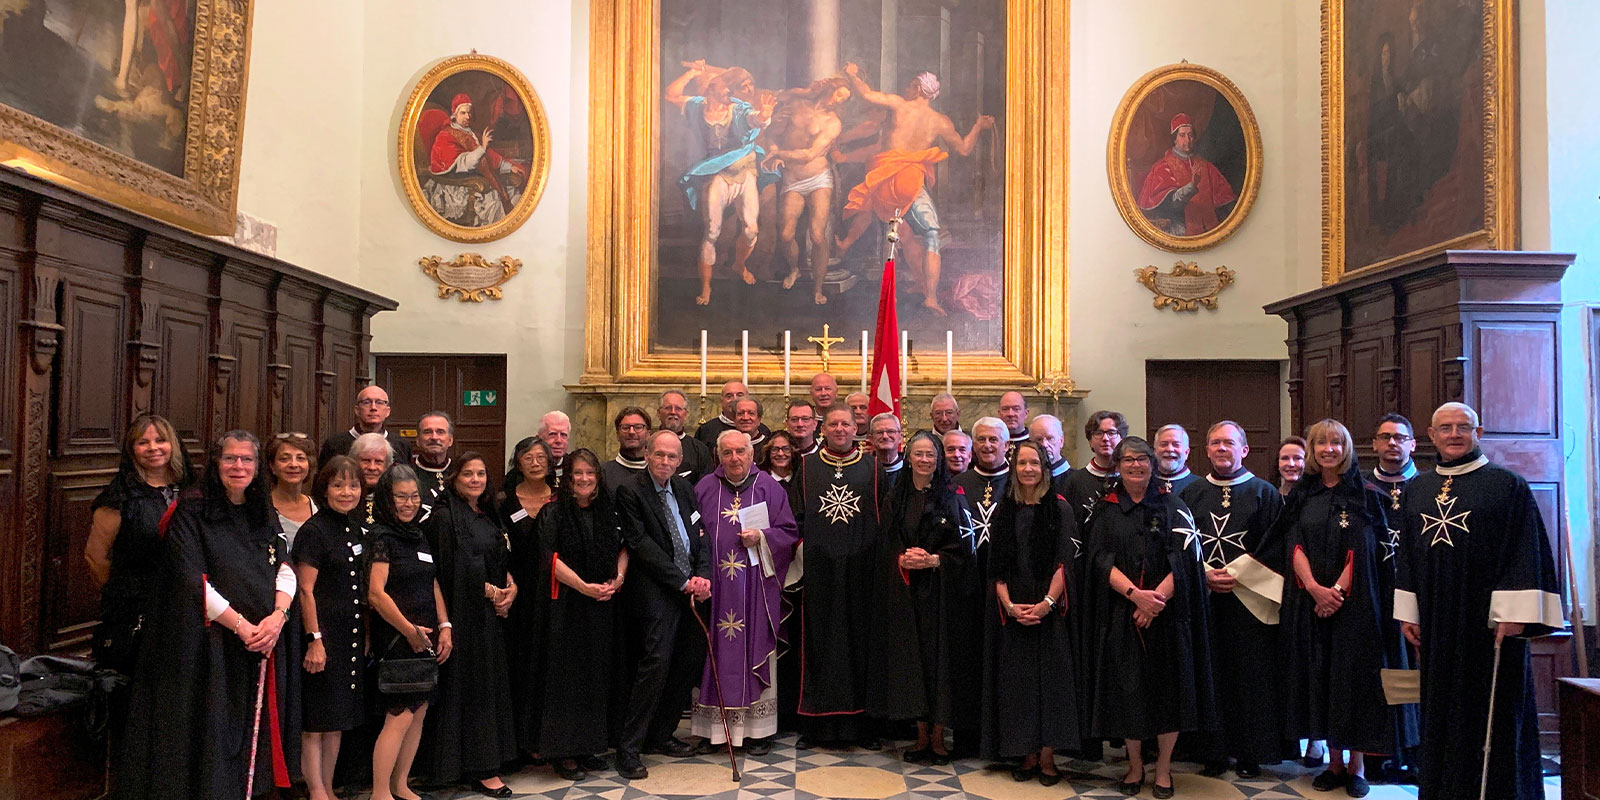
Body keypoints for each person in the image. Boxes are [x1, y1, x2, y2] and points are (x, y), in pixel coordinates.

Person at [116, 431, 300, 800]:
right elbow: (191, 580)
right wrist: (243, 626)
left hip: (259, 640)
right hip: (207, 645)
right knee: (208, 733)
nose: (239, 466)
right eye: (230, 459)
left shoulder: (259, 506)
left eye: (247, 459)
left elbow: (283, 564)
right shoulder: (191, 508)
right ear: (215, 464)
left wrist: (278, 615)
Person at [1396, 403, 1563, 800]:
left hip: (1491, 625)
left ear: (1479, 432)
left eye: (1463, 427)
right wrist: (1409, 613)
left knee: (1491, 714)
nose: (1454, 434)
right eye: (1445, 427)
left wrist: (1516, 615)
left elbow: (1525, 551)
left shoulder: (1507, 486)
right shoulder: (1418, 487)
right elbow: (1407, 557)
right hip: (1436, 621)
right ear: (1431, 435)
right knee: (1441, 710)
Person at [1279, 419, 1416, 798]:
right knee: (1320, 679)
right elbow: (1294, 545)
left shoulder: (1366, 494)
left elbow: (1367, 550)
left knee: (1352, 682)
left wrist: (1335, 591)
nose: (1327, 449)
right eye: (1320, 443)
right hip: (1309, 603)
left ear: (1347, 448)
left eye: (1335, 443)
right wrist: (1313, 589)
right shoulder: (1301, 495)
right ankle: (1333, 763)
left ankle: (1356, 765)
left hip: (1355, 607)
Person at [1083, 437, 1216, 799]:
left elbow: (1187, 558)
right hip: (1122, 615)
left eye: (1142, 459)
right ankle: (1135, 765)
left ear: (1152, 464)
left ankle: (1162, 769)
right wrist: (1135, 596)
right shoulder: (1106, 509)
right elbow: (1098, 560)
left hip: (1168, 618)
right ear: (1118, 465)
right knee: (1128, 693)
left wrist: (1155, 600)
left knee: (1167, 693)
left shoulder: (1173, 505)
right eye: (1128, 460)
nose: (1136, 466)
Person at [835, 62, 995, 315]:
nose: (908, 88)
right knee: (930, 233)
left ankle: (889, 296)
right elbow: (964, 149)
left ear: (919, 88)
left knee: (892, 232)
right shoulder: (939, 121)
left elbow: (866, 93)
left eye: (911, 85)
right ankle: (930, 297)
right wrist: (978, 126)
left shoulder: (899, 105)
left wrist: (852, 74)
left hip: (885, 177)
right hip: (910, 180)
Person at [1179, 421, 1291, 779]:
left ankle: (1249, 751)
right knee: (1210, 674)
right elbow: (1181, 545)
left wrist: (1237, 574)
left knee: (1251, 677)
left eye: (1229, 443)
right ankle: (1211, 751)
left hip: (1251, 603)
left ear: (1244, 450)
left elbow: (1276, 545)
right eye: (1215, 443)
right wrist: (1206, 574)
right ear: (1207, 451)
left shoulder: (1265, 493)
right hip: (1206, 599)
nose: (1222, 449)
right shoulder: (1191, 494)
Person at [869, 431, 976, 765]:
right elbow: (885, 542)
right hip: (906, 592)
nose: (925, 460)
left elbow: (966, 549)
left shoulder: (953, 495)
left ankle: (939, 738)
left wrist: (934, 560)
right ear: (908, 456)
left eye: (931, 454)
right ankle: (919, 735)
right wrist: (901, 558)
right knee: (911, 663)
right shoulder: (895, 496)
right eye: (918, 454)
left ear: (938, 459)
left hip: (941, 595)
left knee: (938, 662)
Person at [612, 431, 713, 779]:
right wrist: (682, 581)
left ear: (680, 460)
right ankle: (629, 748)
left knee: (689, 660)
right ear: (647, 454)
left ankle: (661, 735)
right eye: (660, 456)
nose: (666, 462)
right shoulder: (631, 490)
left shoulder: (685, 489)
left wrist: (702, 576)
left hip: (691, 587)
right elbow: (640, 545)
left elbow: (700, 536)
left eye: (672, 457)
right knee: (655, 664)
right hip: (655, 590)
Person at [692, 430, 800, 753]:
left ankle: (758, 730)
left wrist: (764, 538)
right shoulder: (703, 488)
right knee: (711, 652)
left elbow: (789, 533)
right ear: (718, 455)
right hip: (715, 589)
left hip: (755, 591)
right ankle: (714, 731)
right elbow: (691, 532)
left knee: (754, 648)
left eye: (741, 452)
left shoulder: (769, 487)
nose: (734, 458)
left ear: (752, 455)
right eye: (727, 453)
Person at [527, 450, 629, 782]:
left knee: (595, 675)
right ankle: (562, 752)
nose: (584, 479)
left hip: (602, 603)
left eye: (589, 473)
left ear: (598, 477)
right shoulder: (552, 513)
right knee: (566, 678)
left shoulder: (607, 510)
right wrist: (583, 587)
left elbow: (624, 546)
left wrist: (619, 578)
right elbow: (549, 558)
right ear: (567, 479)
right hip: (566, 605)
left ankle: (587, 745)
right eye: (577, 474)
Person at [981, 441, 1079, 785]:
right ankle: (1026, 753)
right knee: (1018, 685)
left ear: (1044, 468)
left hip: (1048, 608)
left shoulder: (1060, 508)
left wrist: (1047, 604)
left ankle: (1049, 757)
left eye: (1033, 463)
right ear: (1014, 468)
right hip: (1013, 609)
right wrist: (1009, 606)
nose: (1027, 469)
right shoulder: (1004, 509)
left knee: (1051, 683)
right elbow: (996, 568)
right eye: (1021, 463)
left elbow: (1064, 564)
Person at [420, 454, 518, 795]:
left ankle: (487, 760)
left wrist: (510, 588)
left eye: (481, 473)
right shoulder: (444, 518)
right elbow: (451, 571)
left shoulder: (487, 512)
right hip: (462, 616)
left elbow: (499, 555)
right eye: (468, 474)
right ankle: (477, 767)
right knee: (469, 690)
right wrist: (493, 592)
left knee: (488, 688)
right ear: (454, 478)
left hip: (489, 618)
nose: (475, 479)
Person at [791, 407, 881, 749]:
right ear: (821, 428)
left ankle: (863, 725)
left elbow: (882, 520)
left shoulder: (874, 469)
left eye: (846, 423)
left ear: (856, 427)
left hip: (862, 572)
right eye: (833, 424)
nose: (840, 428)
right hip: (819, 572)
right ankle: (815, 726)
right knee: (820, 644)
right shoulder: (806, 468)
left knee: (861, 645)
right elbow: (795, 520)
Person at [366, 465, 452, 800]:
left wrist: (444, 626)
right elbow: (376, 593)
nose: (409, 503)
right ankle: (379, 793)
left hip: (426, 636)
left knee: (419, 711)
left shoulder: (418, 534)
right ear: (387, 498)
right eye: (401, 496)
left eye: (414, 496)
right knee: (399, 715)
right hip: (398, 638)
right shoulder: (381, 537)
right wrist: (409, 630)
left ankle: (400, 784)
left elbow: (431, 583)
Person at [85, 413, 191, 679]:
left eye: (160, 440)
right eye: (143, 442)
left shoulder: (191, 490)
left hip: (185, 605)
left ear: (173, 445)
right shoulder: (119, 496)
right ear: (132, 450)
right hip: (136, 609)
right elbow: (95, 557)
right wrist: (123, 594)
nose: (153, 448)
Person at [664, 60, 775, 306]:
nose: (729, 91)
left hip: (744, 171)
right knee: (712, 230)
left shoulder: (739, 109)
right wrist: (692, 72)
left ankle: (739, 264)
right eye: (725, 87)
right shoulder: (695, 107)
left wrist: (764, 117)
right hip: (718, 173)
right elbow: (671, 95)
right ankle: (706, 287)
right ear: (710, 89)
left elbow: (754, 120)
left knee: (751, 230)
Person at [293, 457, 367, 800]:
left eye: (353, 485)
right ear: (324, 488)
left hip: (349, 633)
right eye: (338, 485)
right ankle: (316, 790)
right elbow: (305, 590)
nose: (346, 492)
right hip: (322, 635)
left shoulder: (353, 527)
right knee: (316, 721)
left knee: (337, 717)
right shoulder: (314, 531)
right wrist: (314, 640)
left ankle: (329, 787)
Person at [761, 77, 851, 304]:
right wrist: (774, 151)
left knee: (818, 235)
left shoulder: (833, 123)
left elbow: (811, 154)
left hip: (819, 179)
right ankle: (794, 269)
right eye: (838, 94)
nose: (838, 100)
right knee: (786, 234)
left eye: (843, 99)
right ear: (829, 90)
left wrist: (779, 154)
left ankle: (818, 289)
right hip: (792, 178)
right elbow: (773, 135)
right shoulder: (797, 106)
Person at [500, 436, 555, 756]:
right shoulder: (504, 500)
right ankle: (519, 744)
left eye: (540, 456)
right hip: (517, 596)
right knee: (519, 665)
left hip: (556, 591)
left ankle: (548, 741)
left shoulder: (562, 498)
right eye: (528, 457)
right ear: (517, 463)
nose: (535, 462)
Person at [424, 93, 530, 226]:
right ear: (454, 115)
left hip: (482, 178)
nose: (468, 117)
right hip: (458, 184)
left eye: (469, 113)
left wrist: (509, 167)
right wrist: (482, 148)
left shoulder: (471, 132)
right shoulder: (445, 136)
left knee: (513, 197)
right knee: (494, 205)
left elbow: (490, 156)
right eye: (463, 113)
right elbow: (463, 164)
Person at [1135, 113, 1238, 237]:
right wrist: (1192, 185)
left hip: (1209, 229)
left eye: (1190, 135)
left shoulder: (1205, 166)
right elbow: (1171, 205)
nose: (1187, 140)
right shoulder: (1163, 167)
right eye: (1182, 135)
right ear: (1175, 139)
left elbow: (1226, 200)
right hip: (1178, 227)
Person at [953, 417, 1009, 553]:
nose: (987, 445)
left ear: (1006, 445)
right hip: (967, 567)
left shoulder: (1018, 482)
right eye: (981, 439)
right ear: (973, 445)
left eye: (993, 440)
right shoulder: (957, 483)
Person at [320, 385, 411, 467]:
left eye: (379, 402)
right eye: (367, 402)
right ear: (357, 410)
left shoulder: (401, 445)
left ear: (387, 411)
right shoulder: (334, 444)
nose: (373, 408)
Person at [1064, 410, 1126, 528]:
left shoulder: (1129, 479)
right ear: (1090, 441)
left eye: (1111, 433)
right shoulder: (1075, 482)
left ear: (1122, 439)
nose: (1105, 438)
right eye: (1098, 433)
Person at [268, 433, 318, 551]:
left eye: (300, 458)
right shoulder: (262, 508)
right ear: (272, 466)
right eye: (285, 459)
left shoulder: (319, 506)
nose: (293, 465)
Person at [659, 389, 714, 482]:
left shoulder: (699, 450)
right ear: (658, 413)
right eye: (668, 408)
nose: (673, 412)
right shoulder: (648, 445)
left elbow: (706, 486)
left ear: (686, 415)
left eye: (678, 408)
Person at [1370, 413, 1420, 514]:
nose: (1392, 443)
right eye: (1385, 437)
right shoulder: (1363, 486)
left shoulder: (1425, 485)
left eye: (1399, 437)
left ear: (1412, 445)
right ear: (1375, 444)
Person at [696, 381, 768, 448]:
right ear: (721, 400)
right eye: (729, 396)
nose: (735, 399)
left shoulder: (762, 430)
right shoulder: (706, 430)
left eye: (740, 395)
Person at [350, 432, 395, 534]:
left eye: (378, 462)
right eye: (366, 461)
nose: (372, 467)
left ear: (387, 466)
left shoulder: (395, 499)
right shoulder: (344, 497)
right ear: (354, 462)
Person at [602, 406, 653, 490]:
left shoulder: (657, 472)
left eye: (638, 427)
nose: (631, 432)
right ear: (617, 435)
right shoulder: (604, 473)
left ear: (648, 434)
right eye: (625, 427)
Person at [412, 412, 454, 506]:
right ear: (418, 440)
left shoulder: (460, 472)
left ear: (450, 440)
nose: (434, 437)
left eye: (440, 432)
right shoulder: (407, 474)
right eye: (427, 432)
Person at [1028, 413, 1072, 495]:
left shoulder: (1075, 480)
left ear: (1061, 441)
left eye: (1050, 438)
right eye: (1038, 439)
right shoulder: (1026, 478)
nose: (1044, 445)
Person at [1153, 424, 1197, 495]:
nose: (1170, 449)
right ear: (1155, 451)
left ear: (1186, 453)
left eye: (1176, 444)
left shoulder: (1199, 487)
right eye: (1164, 444)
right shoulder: (1145, 485)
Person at [869, 412, 905, 490]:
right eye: (879, 432)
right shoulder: (864, 468)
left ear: (900, 437)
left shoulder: (910, 469)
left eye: (891, 431)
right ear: (871, 439)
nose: (885, 436)